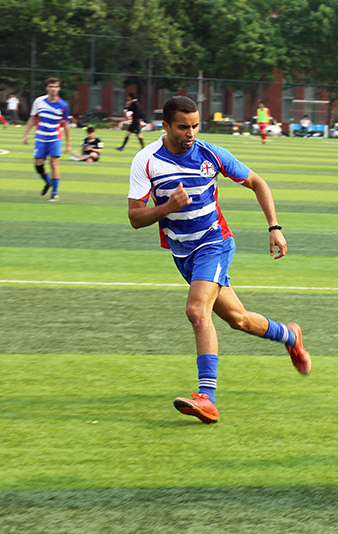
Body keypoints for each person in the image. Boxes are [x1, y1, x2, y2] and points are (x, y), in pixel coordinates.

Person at [126, 95, 311, 424]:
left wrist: (274, 227)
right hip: (183, 253)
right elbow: (135, 218)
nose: (191, 132)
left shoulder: (210, 154)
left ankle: (207, 398)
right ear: (165, 126)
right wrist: (168, 207)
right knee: (237, 319)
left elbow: (257, 182)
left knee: (196, 310)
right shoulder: (146, 161)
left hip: (215, 243)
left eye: (195, 125)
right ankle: (289, 335)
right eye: (183, 127)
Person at [23, 77, 71, 202]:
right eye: (51, 86)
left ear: (59, 88)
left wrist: (68, 144)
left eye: (55, 86)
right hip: (40, 137)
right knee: (38, 165)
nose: (53, 89)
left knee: (53, 163)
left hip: (55, 138)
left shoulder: (63, 105)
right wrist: (26, 134)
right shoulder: (39, 101)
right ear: (47, 88)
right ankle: (48, 182)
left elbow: (66, 124)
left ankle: (55, 193)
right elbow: (33, 118)